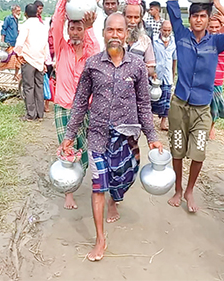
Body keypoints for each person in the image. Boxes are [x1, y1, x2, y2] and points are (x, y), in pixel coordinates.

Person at [60, 13, 163, 262]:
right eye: (110, 30)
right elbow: (80, 102)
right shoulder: (93, 64)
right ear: (104, 32)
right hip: (97, 135)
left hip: (127, 136)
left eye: (119, 30)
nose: (115, 35)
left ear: (127, 34)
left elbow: (143, 104)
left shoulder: (137, 66)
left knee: (125, 176)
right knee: (98, 186)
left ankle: (116, 199)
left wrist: (151, 137)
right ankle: (100, 239)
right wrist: (69, 135)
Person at [166, 0, 224, 213]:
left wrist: (220, 5)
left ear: (209, 18)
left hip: (202, 108)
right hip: (179, 106)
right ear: (189, 19)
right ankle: (178, 188)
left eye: (203, 16)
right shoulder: (181, 35)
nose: (199, 20)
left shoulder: (217, 42)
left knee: (198, 152)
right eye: (195, 16)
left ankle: (190, 190)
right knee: (177, 149)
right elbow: (171, 3)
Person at [53, 0, 101, 210]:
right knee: (67, 147)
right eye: (72, 28)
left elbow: (97, 50)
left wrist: (90, 27)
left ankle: (93, 183)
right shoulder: (62, 47)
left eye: (79, 28)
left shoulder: (92, 50)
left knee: (90, 147)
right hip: (63, 105)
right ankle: (69, 192)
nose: (75, 32)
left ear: (84, 30)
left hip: (87, 107)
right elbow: (56, 24)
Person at [13, 4, 50, 121]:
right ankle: (40, 114)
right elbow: (46, 45)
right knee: (39, 87)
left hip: (28, 59)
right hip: (39, 60)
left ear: (25, 13)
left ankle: (30, 114)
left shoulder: (25, 26)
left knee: (29, 88)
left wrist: (18, 55)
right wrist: (45, 61)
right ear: (37, 13)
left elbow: (20, 42)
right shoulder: (42, 26)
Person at [208, 13, 224, 139]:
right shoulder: (204, 39)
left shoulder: (223, 40)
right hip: (204, 79)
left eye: (217, 27)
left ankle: (211, 127)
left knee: (215, 107)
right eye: (212, 27)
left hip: (217, 79)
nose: (214, 30)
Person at [152, 20, 176, 131]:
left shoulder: (174, 42)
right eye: (165, 30)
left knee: (167, 100)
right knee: (153, 98)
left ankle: (163, 122)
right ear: (161, 29)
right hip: (156, 74)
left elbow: (174, 59)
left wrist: (173, 73)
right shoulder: (154, 40)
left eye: (169, 30)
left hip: (167, 75)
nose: (166, 33)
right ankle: (150, 121)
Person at [123, 0, 156, 75]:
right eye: (129, 17)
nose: (133, 21)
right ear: (123, 16)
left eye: (136, 17)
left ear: (141, 18)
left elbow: (151, 68)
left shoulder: (145, 41)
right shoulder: (115, 38)